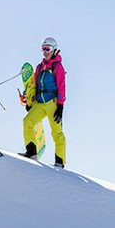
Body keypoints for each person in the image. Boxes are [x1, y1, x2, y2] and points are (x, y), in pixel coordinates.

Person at [21, 36, 66, 168]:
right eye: (43, 49)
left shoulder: (57, 66)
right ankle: (31, 152)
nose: (45, 52)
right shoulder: (39, 67)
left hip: (52, 103)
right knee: (27, 121)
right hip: (40, 104)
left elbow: (62, 86)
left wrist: (60, 106)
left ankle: (60, 162)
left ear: (54, 50)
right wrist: (28, 98)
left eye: (48, 49)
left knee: (57, 133)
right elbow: (33, 85)